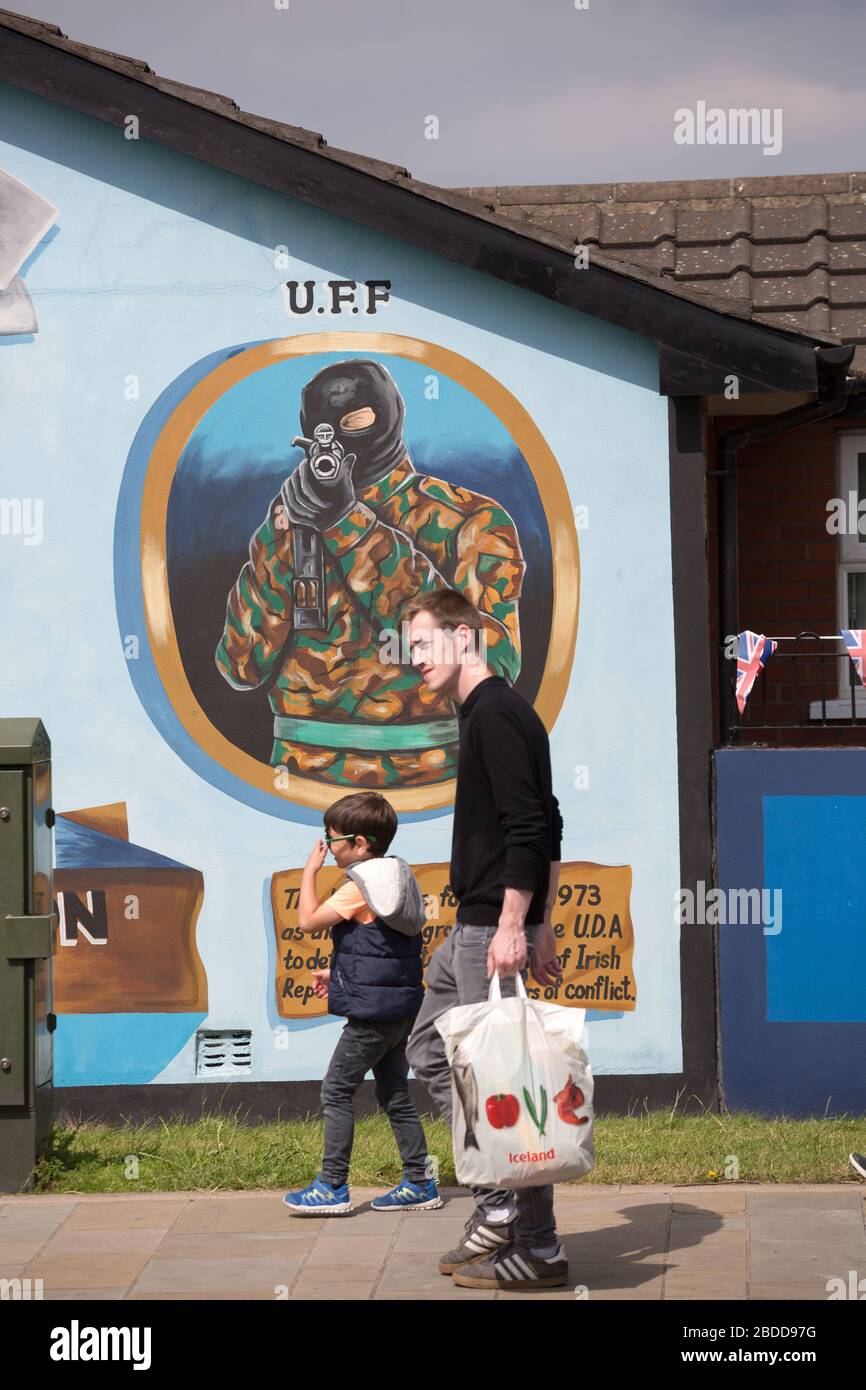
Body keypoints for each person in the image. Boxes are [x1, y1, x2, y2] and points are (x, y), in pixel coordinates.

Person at [215, 358, 525, 790]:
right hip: (297, 777)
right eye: (322, 429)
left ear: (390, 414)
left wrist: (349, 525)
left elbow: (494, 657)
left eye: (356, 420)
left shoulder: (470, 519)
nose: (338, 441)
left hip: (429, 776)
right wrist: (282, 540)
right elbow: (240, 666)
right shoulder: (290, 521)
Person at [404, 588, 567, 1290]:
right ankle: (505, 1211)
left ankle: (533, 1241)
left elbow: (532, 827)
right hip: (474, 924)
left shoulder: (496, 714)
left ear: (463, 637)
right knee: (425, 1048)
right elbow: (550, 820)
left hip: (485, 927)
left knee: (500, 1079)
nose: (411, 660)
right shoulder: (494, 713)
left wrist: (514, 928)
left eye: (420, 644)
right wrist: (545, 922)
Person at [283, 791, 442, 1215]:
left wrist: (309, 872)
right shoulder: (398, 876)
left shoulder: (360, 886)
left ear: (360, 843)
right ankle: (420, 1182)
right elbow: (381, 951)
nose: (328, 845)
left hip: (372, 1017)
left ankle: (332, 1186)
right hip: (402, 1009)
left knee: (335, 1091)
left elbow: (307, 921)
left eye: (332, 838)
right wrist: (334, 975)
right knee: (394, 1094)